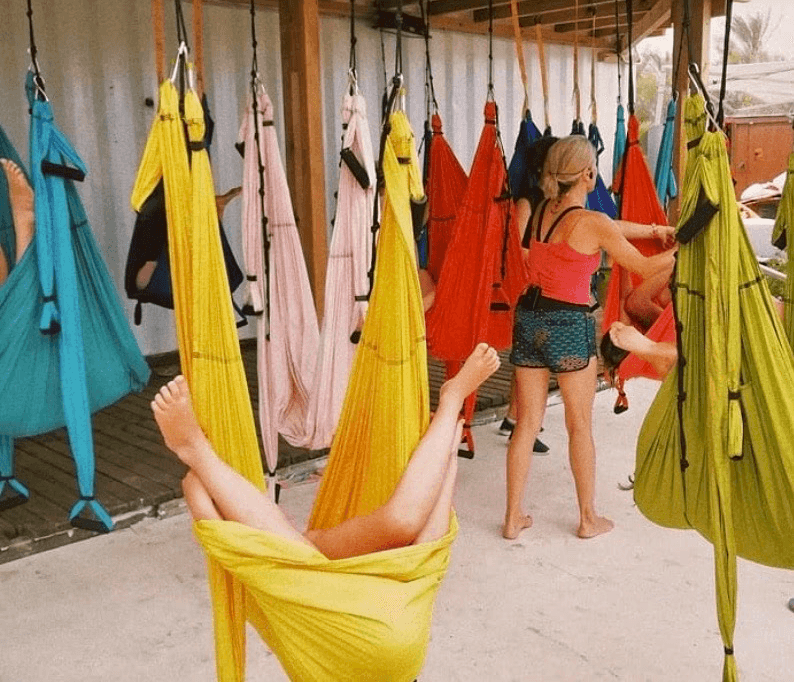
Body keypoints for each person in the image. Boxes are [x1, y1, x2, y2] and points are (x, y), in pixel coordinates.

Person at [152, 342, 500, 560]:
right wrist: (447, 456)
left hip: (319, 590)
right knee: (417, 535)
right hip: (393, 592)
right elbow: (430, 553)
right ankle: (450, 412)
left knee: (291, 558)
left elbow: (233, 554)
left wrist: (203, 503)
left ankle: (196, 451)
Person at [502, 135, 677, 540]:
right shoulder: (591, 223)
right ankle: (587, 518)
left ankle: (513, 518)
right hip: (568, 323)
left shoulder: (544, 209)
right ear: (588, 174)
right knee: (579, 425)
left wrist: (654, 228)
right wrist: (685, 246)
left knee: (527, 422)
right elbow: (645, 267)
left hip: (529, 317)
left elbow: (609, 228)